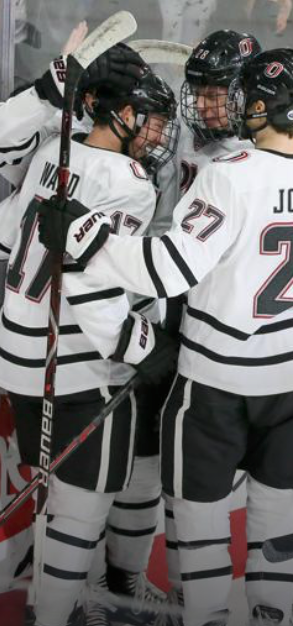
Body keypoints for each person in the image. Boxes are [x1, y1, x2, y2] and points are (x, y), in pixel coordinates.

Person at [36, 47, 293, 626]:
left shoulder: (228, 177)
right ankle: (274, 615)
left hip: (217, 377)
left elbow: (168, 270)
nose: (225, 105)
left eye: (238, 96)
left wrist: (87, 242)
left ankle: (206, 617)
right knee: (277, 509)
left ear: (259, 106)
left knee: (200, 518)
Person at [155, 31, 293, 626]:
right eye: (200, 93)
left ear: (251, 96)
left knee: (278, 495)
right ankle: (207, 597)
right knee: (203, 491)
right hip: (210, 322)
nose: (206, 106)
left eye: (219, 93)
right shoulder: (206, 141)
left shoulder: (275, 155)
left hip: (240, 340)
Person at [0, 51, 180, 626]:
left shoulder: (54, 152)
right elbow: (94, 281)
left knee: (57, 507)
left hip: (17, 358)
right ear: (120, 113)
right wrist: (141, 345)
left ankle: (63, 605)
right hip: (79, 366)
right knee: (80, 513)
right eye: (148, 117)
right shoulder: (130, 184)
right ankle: (52, 616)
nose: (157, 134)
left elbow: (8, 241)